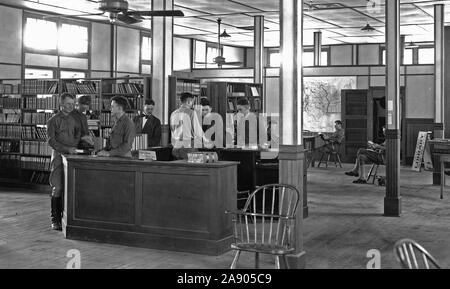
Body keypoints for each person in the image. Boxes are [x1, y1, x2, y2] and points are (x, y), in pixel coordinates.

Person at [47, 93, 81, 231]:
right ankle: (55, 219)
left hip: (72, 157)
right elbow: (51, 141)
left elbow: (77, 134)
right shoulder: (53, 120)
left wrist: (74, 147)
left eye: (73, 104)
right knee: (58, 187)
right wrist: (66, 149)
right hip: (58, 156)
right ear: (61, 104)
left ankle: (66, 219)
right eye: (68, 104)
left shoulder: (74, 119)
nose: (71, 106)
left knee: (70, 188)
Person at [170, 92, 204, 160]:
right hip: (188, 147)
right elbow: (197, 132)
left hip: (176, 147)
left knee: (177, 169)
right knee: (191, 169)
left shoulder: (173, 113)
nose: (192, 104)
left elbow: (172, 130)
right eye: (192, 102)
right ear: (189, 101)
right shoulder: (191, 113)